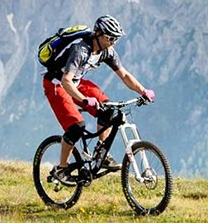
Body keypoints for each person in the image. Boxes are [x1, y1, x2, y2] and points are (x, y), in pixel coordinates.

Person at [42, 15, 154, 178]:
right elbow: (66, 81)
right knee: (76, 127)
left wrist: (143, 91)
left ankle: (101, 152)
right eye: (110, 38)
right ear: (98, 34)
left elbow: (124, 75)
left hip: (77, 82)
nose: (113, 42)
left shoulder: (107, 51)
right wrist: (84, 99)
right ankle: (62, 168)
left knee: (107, 110)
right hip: (56, 84)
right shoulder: (80, 50)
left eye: (116, 38)